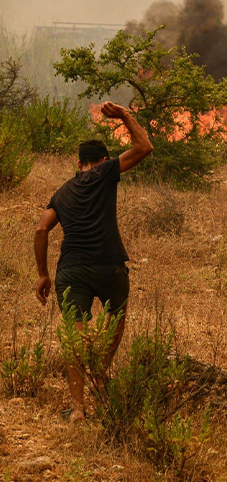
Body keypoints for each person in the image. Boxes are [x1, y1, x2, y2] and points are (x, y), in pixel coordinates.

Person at [34, 102, 153, 422]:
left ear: (77, 163)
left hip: (70, 271)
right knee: (116, 320)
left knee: (74, 337)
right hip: (110, 266)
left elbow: (41, 229)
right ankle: (100, 373)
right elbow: (144, 147)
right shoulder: (105, 171)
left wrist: (43, 275)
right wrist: (126, 115)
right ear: (102, 161)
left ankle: (77, 408)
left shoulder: (61, 192)